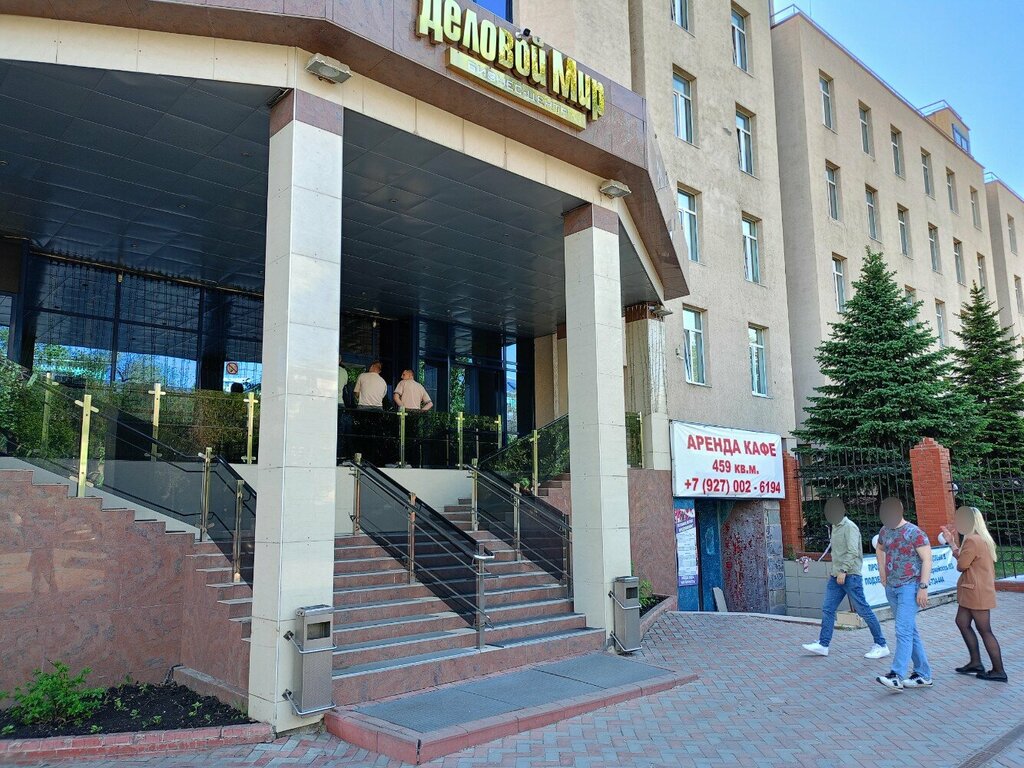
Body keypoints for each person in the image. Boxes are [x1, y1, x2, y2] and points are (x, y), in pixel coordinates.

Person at [802, 497, 889, 659]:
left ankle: (881, 644)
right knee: (828, 609)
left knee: (863, 610)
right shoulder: (835, 527)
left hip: (850, 575)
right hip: (836, 576)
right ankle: (823, 644)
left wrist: (843, 570)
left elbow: (852, 551)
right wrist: (836, 571)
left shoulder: (850, 527)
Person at [941, 506, 1007, 682]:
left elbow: (962, 565)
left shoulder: (972, 540)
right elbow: (966, 560)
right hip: (973, 590)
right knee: (962, 622)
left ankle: (999, 671)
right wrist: (952, 542)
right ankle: (975, 663)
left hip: (976, 591)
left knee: (985, 630)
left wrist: (953, 545)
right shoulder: (981, 538)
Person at [874, 497, 933, 692]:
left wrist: (923, 587)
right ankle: (923, 674)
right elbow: (880, 548)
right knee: (909, 631)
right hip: (892, 587)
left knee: (903, 630)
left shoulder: (914, 532)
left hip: (910, 586)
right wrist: (882, 572)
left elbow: (927, 559)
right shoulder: (885, 531)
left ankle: (896, 675)